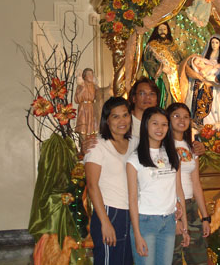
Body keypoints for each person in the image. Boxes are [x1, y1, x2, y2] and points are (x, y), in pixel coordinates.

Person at [126, 107, 190, 265]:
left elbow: (179, 191)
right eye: (155, 123)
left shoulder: (172, 155)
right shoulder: (134, 160)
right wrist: (137, 234)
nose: (160, 128)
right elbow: (132, 199)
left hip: (168, 222)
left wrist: (185, 225)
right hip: (145, 222)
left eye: (164, 124)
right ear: (146, 125)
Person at [81, 78, 205, 156]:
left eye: (152, 94)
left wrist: (196, 146)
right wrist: (86, 147)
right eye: (142, 93)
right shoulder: (123, 122)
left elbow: (178, 141)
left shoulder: (163, 123)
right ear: (133, 98)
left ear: (157, 100)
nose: (147, 98)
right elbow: (104, 139)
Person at [84, 97, 138, 265]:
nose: (122, 121)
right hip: (110, 212)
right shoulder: (98, 146)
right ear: (107, 120)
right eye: (116, 116)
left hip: (133, 212)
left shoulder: (135, 143)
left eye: (125, 115)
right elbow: (92, 186)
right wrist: (105, 223)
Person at [166, 103, 210, 265]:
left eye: (186, 117)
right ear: (168, 120)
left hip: (191, 206)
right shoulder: (164, 146)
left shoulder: (192, 147)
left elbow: (196, 183)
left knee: (198, 257)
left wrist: (205, 217)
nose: (182, 120)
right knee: (174, 257)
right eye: (176, 116)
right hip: (172, 206)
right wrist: (175, 217)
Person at [142, 22, 185, 108]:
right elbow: (147, 62)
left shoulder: (173, 45)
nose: (162, 31)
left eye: (164, 29)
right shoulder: (152, 45)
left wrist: (178, 67)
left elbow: (181, 60)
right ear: (156, 31)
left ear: (168, 30)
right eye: (160, 29)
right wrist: (161, 68)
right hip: (161, 77)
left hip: (174, 77)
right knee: (163, 96)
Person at [74, 68, 97, 138]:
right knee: (83, 127)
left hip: (91, 108)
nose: (91, 76)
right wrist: (83, 89)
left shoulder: (94, 86)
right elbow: (77, 99)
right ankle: (83, 144)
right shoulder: (81, 85)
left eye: (92, 74)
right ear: (84, 76)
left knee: (92, 128)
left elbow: (98, 97)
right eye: (89, 74)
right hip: (83, 108)